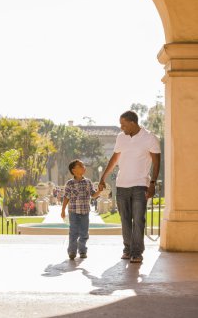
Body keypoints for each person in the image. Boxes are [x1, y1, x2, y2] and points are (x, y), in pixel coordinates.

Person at [99, 110, 160, 264]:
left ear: (133, 123)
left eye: (124, 124)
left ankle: (137, 252)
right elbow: (114, 158)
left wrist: (152, 183)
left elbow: (157, 162)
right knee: (125, 220)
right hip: (122, 185)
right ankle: (128, 249)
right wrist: (103, 177)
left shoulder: (149, 137)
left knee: (138, 220)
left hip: (140, 185)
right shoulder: (121, 138)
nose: (121, 128)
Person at [61, 159, 103, 260]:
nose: (83, 166)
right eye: (80, 165)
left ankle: (82, 250)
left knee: (84, 232)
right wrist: (63, 210)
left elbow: (93, 195)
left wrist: (99, 191)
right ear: (74, 170)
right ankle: (72, 251)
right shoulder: (69, 183)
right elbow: (66, 197)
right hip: (73, 212)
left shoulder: (88, 182)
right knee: (73, 232)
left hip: (85, 212)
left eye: (83, 165)